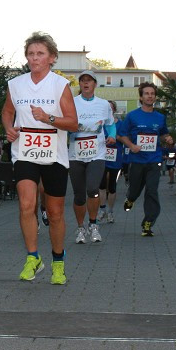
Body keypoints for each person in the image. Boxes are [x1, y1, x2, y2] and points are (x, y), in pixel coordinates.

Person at [2, 32, 78, 284]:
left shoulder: (60, 86)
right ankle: (33, 257)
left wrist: (49, 118)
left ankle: (58, 262)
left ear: (52, 58)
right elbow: (8, 111)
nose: (34, 58)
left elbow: (73, 123)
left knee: (55, 213)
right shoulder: (16, 84)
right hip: (24, 152)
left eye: (40, 54)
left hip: (54, 155)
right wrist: (8, 127)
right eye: (31, 54)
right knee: (26, 204)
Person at [117, 82, 174, 237]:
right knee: (135, 190)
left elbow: (163, 133)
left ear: (155, 97)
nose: (150, 96)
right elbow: (121, 135)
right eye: (147, 93)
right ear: (141, 97)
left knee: (152, 190)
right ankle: (130, 198)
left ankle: (148, 222)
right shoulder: (132, 116)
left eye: (152, 93)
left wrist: (167, 138)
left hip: (154, 160)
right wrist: (132, 145)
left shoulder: (160, 117)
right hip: (136, 160)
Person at [68, 70, 115, 244]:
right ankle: (80, 228)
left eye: (89, 81)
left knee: (93, 189)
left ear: (95, 84)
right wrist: (70, 129)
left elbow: (111, 125)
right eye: (83, 81)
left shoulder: (104, 104)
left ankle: (93, 225)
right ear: (79, 84)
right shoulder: (71, 103)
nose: (86, 84)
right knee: (79, 195)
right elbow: (64, 124)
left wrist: (112, 136)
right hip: (75, 153)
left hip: (97, 152)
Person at [97, 102, 124, 223]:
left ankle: (110, 212)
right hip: (102, 156)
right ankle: (102, 209)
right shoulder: (100, 123)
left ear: (113, 110)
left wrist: (115, 137)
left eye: (111, 108)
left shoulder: (120, 123)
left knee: (112, 186)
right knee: (101, 184)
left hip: (115, 157)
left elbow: (125, 138)